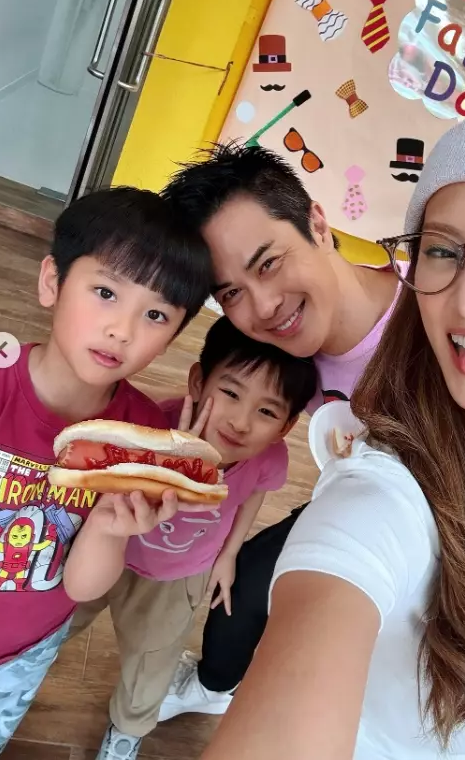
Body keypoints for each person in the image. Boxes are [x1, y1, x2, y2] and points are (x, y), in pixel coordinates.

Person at [198, 69, 465, 760]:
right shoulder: (364, 463)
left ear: (319, 224)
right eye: (442, 251)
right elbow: (350, 537)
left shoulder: (419, 319)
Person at [158, 143, 403, 717]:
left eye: (268, 263)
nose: (264, 306)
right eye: (231, 293)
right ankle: (213, 689)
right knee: (242, 590)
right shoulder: (289, 358)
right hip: (368, 499)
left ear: (317, 224)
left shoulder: (433, 314)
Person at [0, 186, 212, 759]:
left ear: (171, 339)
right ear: (52, 282)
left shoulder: (139, 434)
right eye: (106, 292)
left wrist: (109, 528)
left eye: (155, 314)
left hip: (17, 657)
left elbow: (81, 587)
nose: (123, 330)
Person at [64, 314, 317, 760]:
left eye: (266, 411)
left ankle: (128, 730)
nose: (241, 421)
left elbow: (254, 493)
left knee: (152, 665)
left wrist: (230, 553)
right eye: (231, 393)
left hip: (178, 578)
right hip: (106, 550)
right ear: (198, 382)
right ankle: (10, 680)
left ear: (285, 427)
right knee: (54, 625)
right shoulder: (152, 425)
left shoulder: (267, 457)